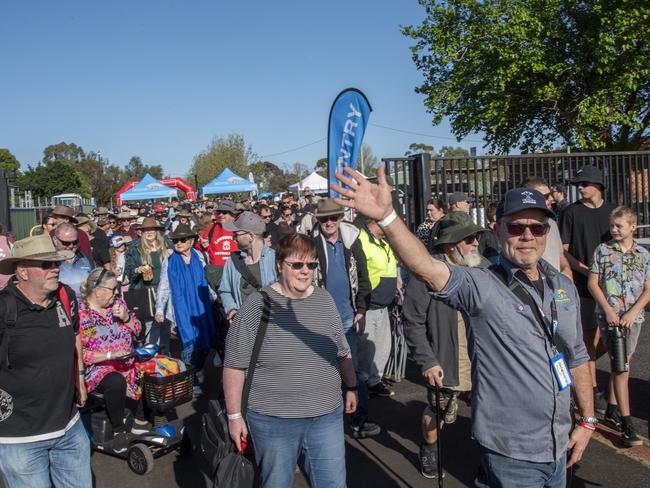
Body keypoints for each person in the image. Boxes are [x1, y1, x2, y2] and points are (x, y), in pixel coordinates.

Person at [333, 167, 595, 487]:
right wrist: (388, 217)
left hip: (559, 445)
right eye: (517, 227)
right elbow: (427, 269)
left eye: (537, 228)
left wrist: (588, 420)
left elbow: (578, 355)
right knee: (440, 412)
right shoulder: (481, 283)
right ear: (497, 230)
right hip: (512, 453)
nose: (528, 236)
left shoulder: (562, 286)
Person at [223, 234, 358, 488]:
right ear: (279, 265)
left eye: (311, 265)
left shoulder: (324, 300)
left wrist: (351, 386)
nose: (305, 271)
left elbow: (342, 350)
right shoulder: (257, 305)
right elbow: (234, 364)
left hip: (326, 417)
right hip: (273, 421)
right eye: (297, 265)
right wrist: (234, 416)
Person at [0, 235, 91, 487]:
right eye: (45, 265)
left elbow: (75, 336)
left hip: (69, 427)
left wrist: (80, 379)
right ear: (22, 271)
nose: (55, 269)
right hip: (21, 438)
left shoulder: (66, 296)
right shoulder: (4, 307)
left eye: (56, 263)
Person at [404, 212, 487, 478]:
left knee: (489, 413)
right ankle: (430, 447)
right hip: (446, 359)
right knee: (439, 411)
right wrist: (427, 360)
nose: (476, 243)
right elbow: (412, 321)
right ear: (452, 245)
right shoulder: (426, 274)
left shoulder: (485, 269)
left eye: (477, 237)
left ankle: (489, 461)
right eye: (469, 239)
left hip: (483, 360)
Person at [311, 198, 377, 438]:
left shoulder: (351, 242)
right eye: (324, 219)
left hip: (349, 319)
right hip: (320, 321)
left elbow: (363, 278)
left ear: (340, 219)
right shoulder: (310, 244)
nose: (329, 222)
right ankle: (324, 425)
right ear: (318, 220)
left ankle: (359, 421)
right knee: (322, 374)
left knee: (356, 372)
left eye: (333, 218)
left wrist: (361, 310)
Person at [587, 206, 650, 446]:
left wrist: (634, 312)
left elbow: (648, 288)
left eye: (619, 226)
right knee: (621, 368)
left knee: (623, 365)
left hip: (633, 319)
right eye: (612, 226)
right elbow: (594, 283)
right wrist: (609, 310)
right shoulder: (602, 251)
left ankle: (613, 409)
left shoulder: (643, 255)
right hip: (610, 319)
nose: (614, 229)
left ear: (632, 227)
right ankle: (627, 423)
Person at [560, 165, 616, 411]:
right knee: (587, 339)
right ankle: (591, 391)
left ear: (597, 185)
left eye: (583, 184)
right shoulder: (571, 212)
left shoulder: (614, 211)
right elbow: (563, 250)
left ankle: (611, 399)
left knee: (612, 339)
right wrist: (583, 269)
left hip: (613, 287)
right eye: (577, 185)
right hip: (583, 286)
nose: (579, 188)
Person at [79, 268, 150, 437]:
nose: (117, 292)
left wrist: (127, 318)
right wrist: (110, 355)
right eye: (113, 289)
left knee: (152, 369)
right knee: (115, 380)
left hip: (126, 361)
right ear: (97, 291)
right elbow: (80, 354)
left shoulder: (118, 306)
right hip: (97, 368)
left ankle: (141, 420)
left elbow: (138, 331)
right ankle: (118, 429)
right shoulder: (82, 314)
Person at [155, 224, 216, 393]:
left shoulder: (201, 256)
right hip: (181, 311)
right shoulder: (169, 262)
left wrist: (215, 297)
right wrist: (159, 310)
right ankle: (191, 382)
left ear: (191, 241)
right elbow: (164, 287)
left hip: (202, 307)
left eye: (182, 240)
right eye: (175, 240)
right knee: (188, 348)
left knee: (205, 344)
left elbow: (208, 280)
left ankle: (198, 370)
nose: (178, 243)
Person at [355, 214, 399, 397]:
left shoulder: (384, 240)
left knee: (382, 345)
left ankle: (375, 380)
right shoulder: (361, 239)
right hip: (369, 303)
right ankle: (363, 382)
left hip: (384, 302)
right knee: (367, 347)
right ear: (374, 222)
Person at [219, 212, 277, 325]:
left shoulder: (276, 259)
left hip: (272, 325)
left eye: (236, 234)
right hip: (244, 326)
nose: (233, 238)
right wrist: (231, 308)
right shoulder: (232, 261)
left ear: (251, 236)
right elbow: (224, 290)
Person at [521, 176, 573, 280]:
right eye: (546, 196)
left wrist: (566, 269)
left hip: (558, 288)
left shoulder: (552, 223)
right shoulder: (518, 227)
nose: (551, 199)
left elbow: (560, 254)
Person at [53, 223, 92, 298]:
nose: (71, 246)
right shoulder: (48, 262)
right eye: (66, 243)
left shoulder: (86, 258)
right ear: (55, 240)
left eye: (74, 242)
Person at [200, 200, 239, 267]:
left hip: (236, 269)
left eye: (224, 212)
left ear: (233, 214)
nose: (220, 215)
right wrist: (203, 246)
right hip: (216, 272)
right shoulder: (211, 228)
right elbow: (199, 247)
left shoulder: (240, 229)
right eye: (219, 212)